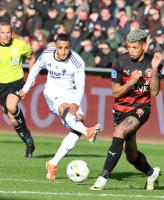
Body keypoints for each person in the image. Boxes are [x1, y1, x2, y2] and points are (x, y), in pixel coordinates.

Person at [19, 33, 102, 180]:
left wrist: (76, 102)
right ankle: (87, 131)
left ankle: (52, 163)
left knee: (76, 128)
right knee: (66, 110)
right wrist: (26, 89)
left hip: (71, 94)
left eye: (66, 48)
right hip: (52, 93)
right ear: (55, 46)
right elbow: (36, 68)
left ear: (70, 47)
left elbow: (81, 85)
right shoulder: (47, 54)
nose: (63, 51)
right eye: (60, 48)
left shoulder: (77, 61)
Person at [90, 29, 162, 190]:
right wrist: (130, 82)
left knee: (120, 132)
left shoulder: (153, 62)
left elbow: (155, 92)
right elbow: (115, 92)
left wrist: (155, 70)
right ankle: (151, 173)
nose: (131, 51)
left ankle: (103, 177)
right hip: (120, 110)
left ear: (144, 45)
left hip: (141, 108)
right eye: (129, 47)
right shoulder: (119, 62)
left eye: (134, 47)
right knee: (131, 156)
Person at [0, 21, 35, 158]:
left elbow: (32, 57)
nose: (6, 36)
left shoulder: (21, 45)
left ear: (12, 33)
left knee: (11, 106)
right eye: (3, 33)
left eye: (8, 33)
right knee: (12, 119)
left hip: (17, 81)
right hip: (0, 85)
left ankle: (28, 140)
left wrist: (31, 76)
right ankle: (29, 143)